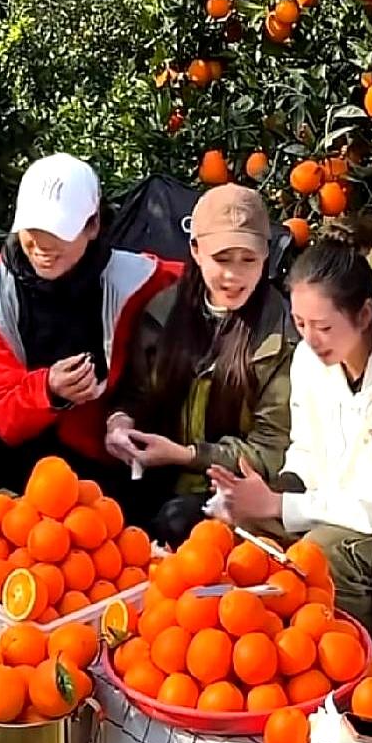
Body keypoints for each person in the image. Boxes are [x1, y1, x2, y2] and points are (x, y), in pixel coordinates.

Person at [207, 220, 372, 643]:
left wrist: (279, 504)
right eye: (300, 324)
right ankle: (268, 653)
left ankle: (359, 656)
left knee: (320, 555)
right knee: (244, 540)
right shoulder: (310, 359)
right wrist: (268, 492)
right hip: (332, 505)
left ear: (364, 314)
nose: (311, 341)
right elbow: (306, 448)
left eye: (324, 327)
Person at [0, 153, 179, 499]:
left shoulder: (136, 279)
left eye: (58, 230)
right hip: (14, 436)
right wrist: (48, 390)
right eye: (33, 229)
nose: (42, 244)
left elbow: (207, 276)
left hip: (100, 445)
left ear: (93, 226)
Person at [104, 184, 295, 545]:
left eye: (248, 260)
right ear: (196, 250)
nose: (234, 275)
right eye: (222, 259)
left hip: (233, 493)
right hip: (156, 475)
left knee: (176, 524)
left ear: (266, 255)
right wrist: (120, 423)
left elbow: (271, 451)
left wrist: (187, 456)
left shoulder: (282, 337)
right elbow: (135, 393)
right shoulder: (163, 312)